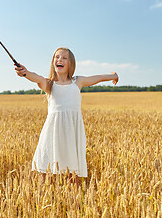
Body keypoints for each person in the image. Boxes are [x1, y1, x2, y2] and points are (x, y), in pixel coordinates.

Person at [15, 47, 118, 185]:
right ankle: (46, 200)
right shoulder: (49, 84)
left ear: (71, 64)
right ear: (53, 62)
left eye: (64, 58)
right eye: (57, 57)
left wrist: (113, 76)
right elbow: (36, 78)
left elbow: (95, 78)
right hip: (53, 132)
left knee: (72, 173)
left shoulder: (77, 82)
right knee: (47, 172)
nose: (59, 60)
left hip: (72, 132)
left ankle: (73, 204)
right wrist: (25, 73)